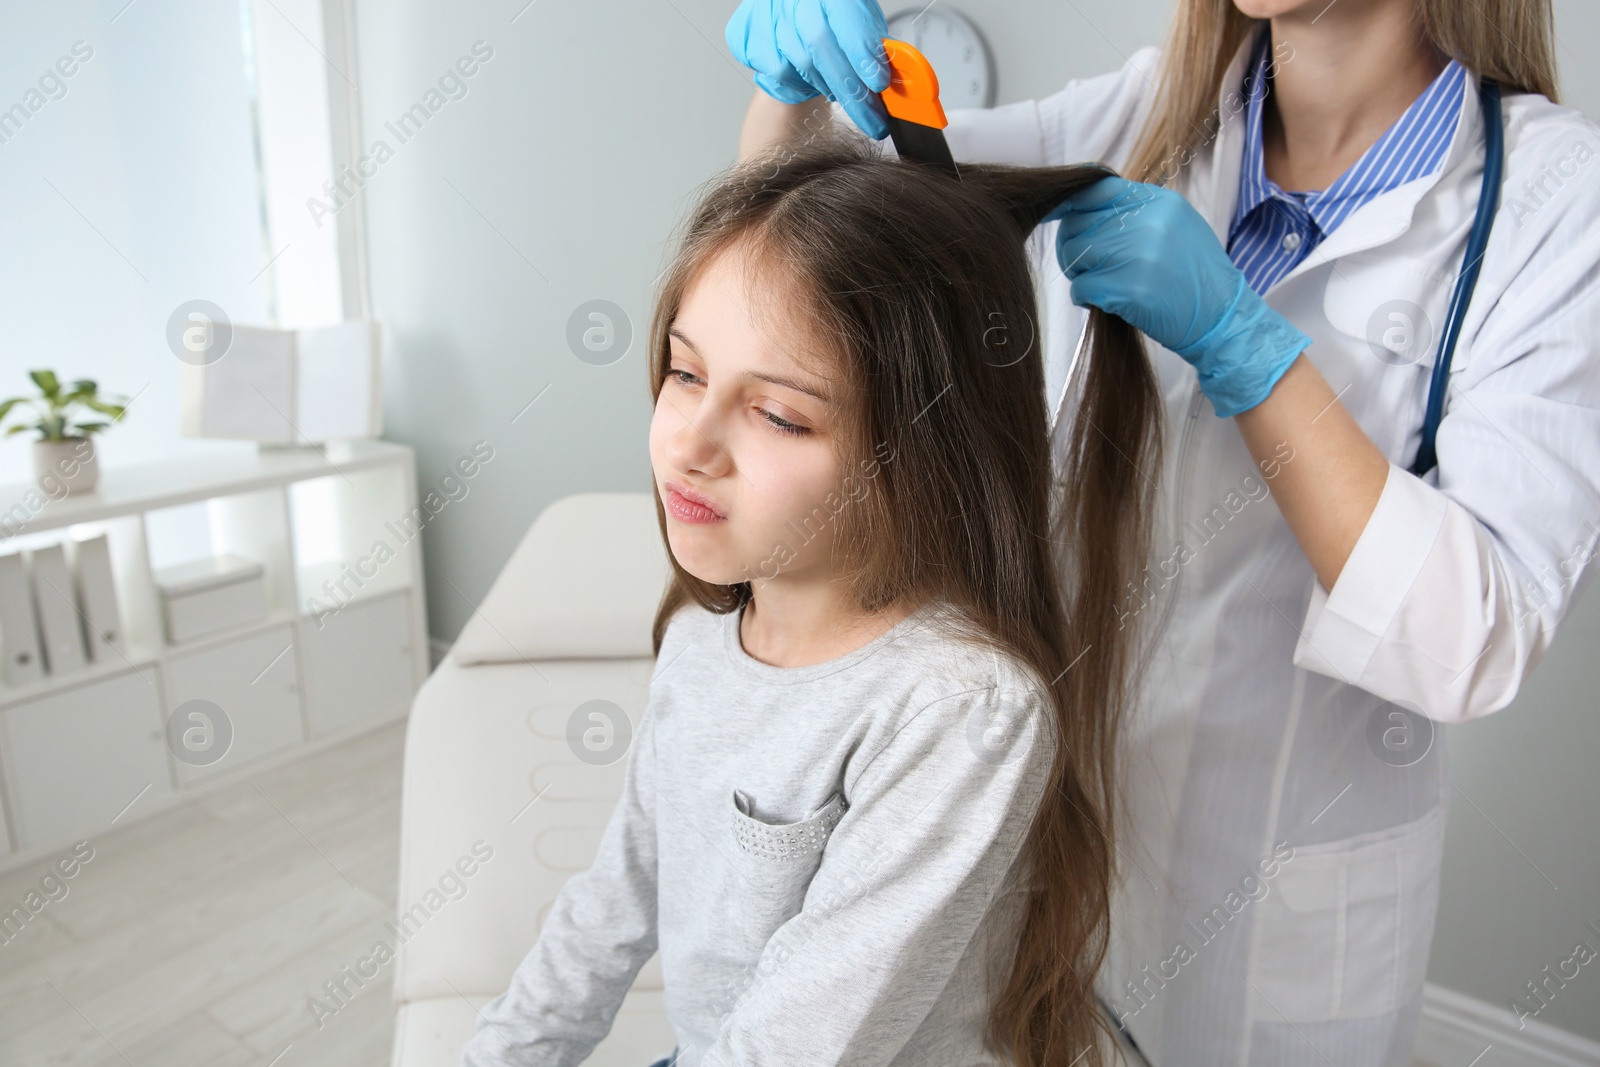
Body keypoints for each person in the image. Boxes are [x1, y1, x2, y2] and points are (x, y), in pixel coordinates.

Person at [729, 0, 1600, 1064]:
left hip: (1278, 914)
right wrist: (790, 94)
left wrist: (1243, 345)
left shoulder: (1556, 203)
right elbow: (812, 236)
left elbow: (1469, 640)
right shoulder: (1149, 114)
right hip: (1045, 856)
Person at [461, 134, 1170, 1065]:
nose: (691, 443)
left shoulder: (959, 710)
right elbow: (614, 895)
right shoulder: (700, 639)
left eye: (780, 414)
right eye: (685, 372)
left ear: (923, 456)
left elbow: (794, 1043)